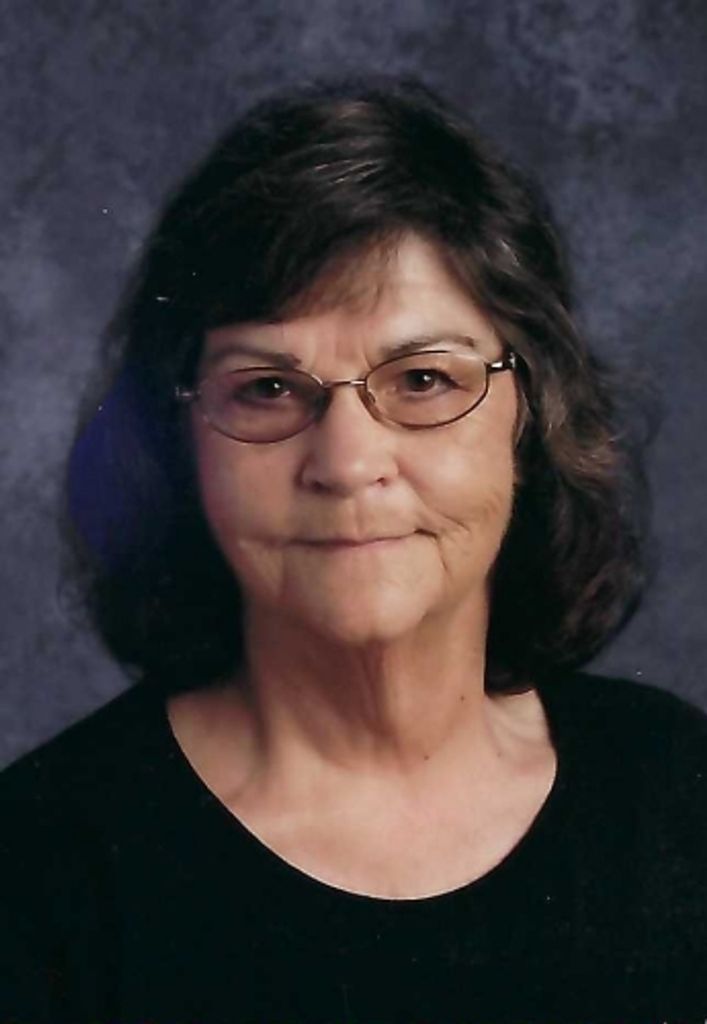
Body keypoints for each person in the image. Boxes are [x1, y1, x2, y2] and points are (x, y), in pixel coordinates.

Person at [2, 76, 706, 1024]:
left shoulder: (673, 787)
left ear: (531, 414)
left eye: (421, 380)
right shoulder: (39, 869)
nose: (345, 464)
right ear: (181, 442)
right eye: (266, 389)